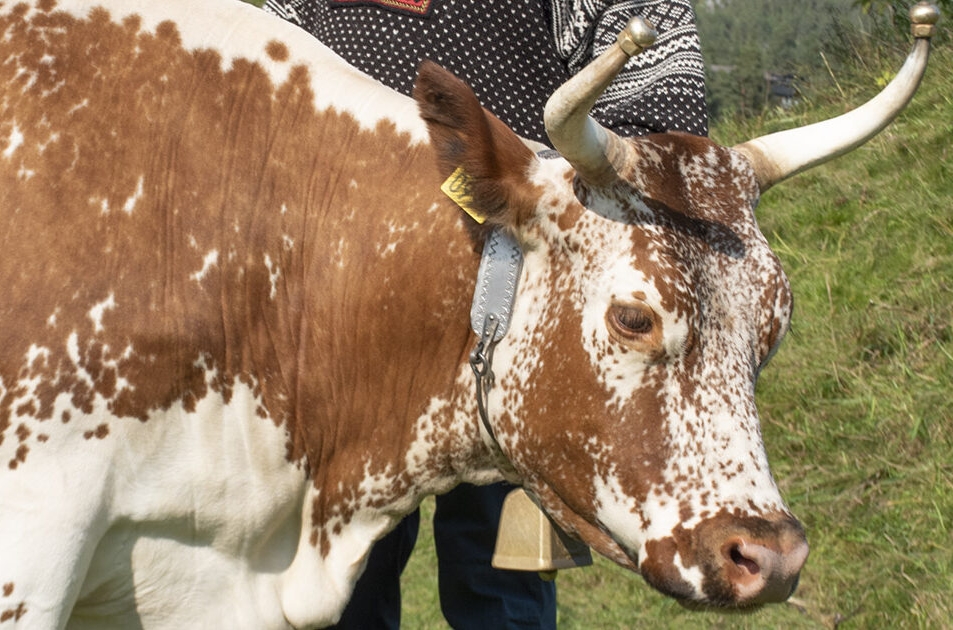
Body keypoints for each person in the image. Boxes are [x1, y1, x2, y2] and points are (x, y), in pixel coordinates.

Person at [260, 1, 709, 628]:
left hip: (529, 321)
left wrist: (562, 185)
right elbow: (266, 74)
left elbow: (663, 117)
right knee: (334, 587)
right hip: (345, 326)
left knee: (508, 596)